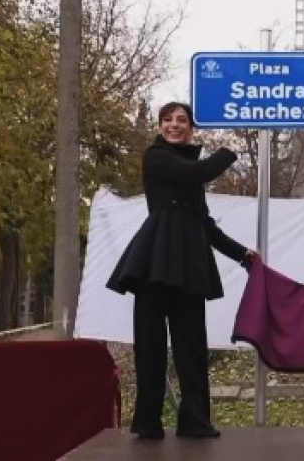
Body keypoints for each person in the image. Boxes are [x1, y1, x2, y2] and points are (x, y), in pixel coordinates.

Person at [106, 101, 256, 440]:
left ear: (191, 128)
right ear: (160, 127)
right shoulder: (156, 157)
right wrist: (228, 151)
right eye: (168, 120)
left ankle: (195, 420)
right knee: (150, 343)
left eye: (182, 120)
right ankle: (147, 421)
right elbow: (195, 172)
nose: (175, 125)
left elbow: (205, 223)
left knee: (191, 343)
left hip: (188, 263)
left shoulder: (191, 169)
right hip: (154, 261)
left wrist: (242, 254)